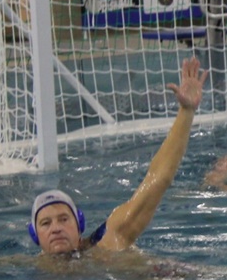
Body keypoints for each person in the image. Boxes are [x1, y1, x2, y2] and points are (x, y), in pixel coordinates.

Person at [28, 56, 207, 257]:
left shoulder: (107, 241)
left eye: (63, 219)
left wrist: (186, 112)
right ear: (35, 235)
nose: (56, 228)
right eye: (46, 223)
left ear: (79, 225)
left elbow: (158, 180)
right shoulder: (23, 267)